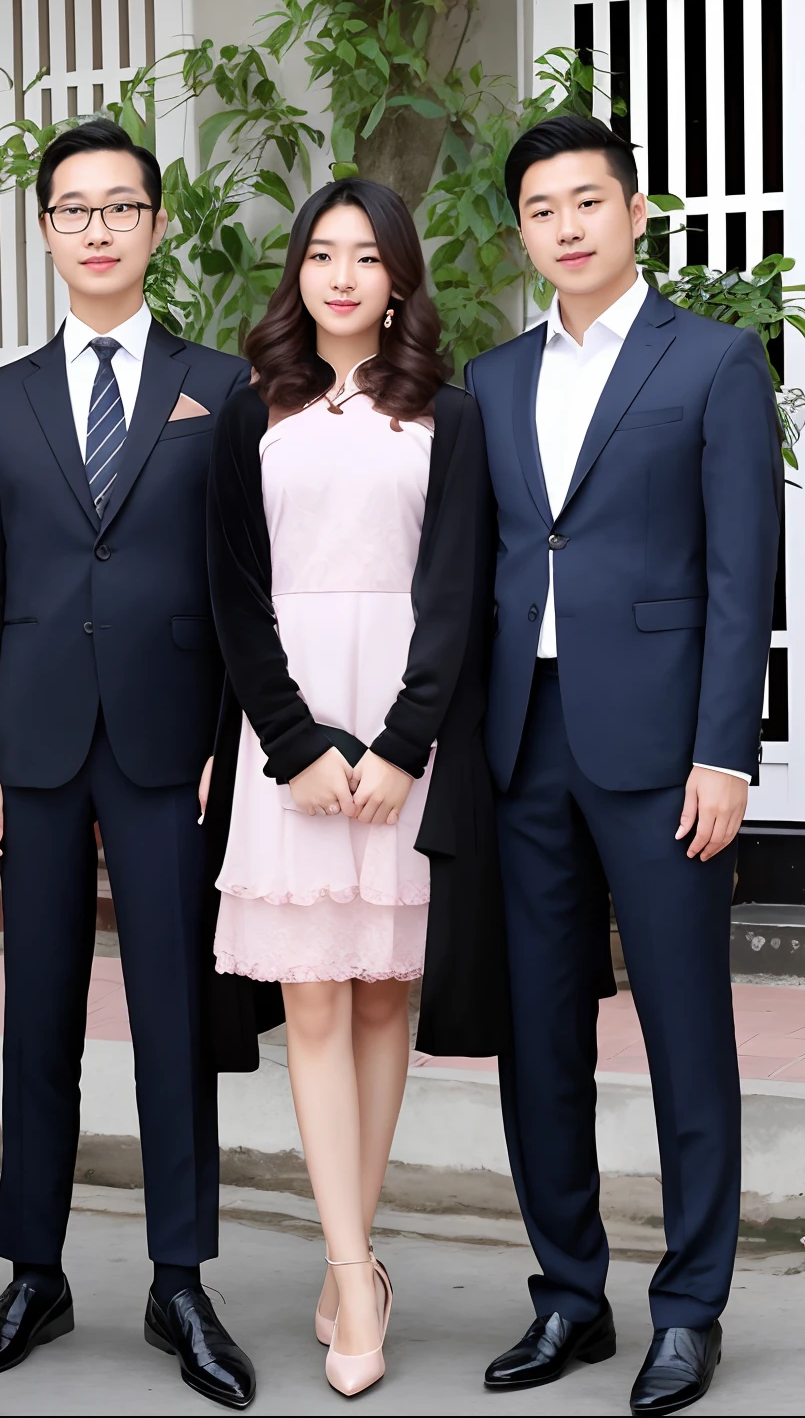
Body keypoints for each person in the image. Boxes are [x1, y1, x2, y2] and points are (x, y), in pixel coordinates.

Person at [465, 115, 783, 1417]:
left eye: (588, 201)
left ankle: (692, 1305)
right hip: (519, 738)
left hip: (660, 749)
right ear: (524, 232)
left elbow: (739, 572)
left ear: (635, 210)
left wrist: (726, 750)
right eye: (542, 210)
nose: (568, 227)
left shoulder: (711, 363)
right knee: (537, 1035)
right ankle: (568, 1297)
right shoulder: (488, 382)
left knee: (681, 1027)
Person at [0, 119, 257, 1410]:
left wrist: (228, 749)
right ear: (43, 231)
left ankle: (179, 1277)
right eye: (73, 210)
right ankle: (35, 1268)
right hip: (32, 746)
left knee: (174, 1016)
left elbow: (245, 587)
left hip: (168, 748)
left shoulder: (220, 386)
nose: (97, 229)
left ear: (159, 225)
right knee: (42, 1022)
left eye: (121, 207)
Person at [203, 177, 506, 1398]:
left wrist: (399, 747)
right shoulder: (246, 410)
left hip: (403, 736)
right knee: (313, 1004)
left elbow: (458, 591)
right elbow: (232, 591)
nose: (340, 276)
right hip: (288, 735)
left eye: (364, 256)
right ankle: (352, 1267)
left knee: (384, 1001)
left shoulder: (451, 414)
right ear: (298, 272)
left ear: (397, 278)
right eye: (320, 255)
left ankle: (351, 1259)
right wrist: (293, 744)